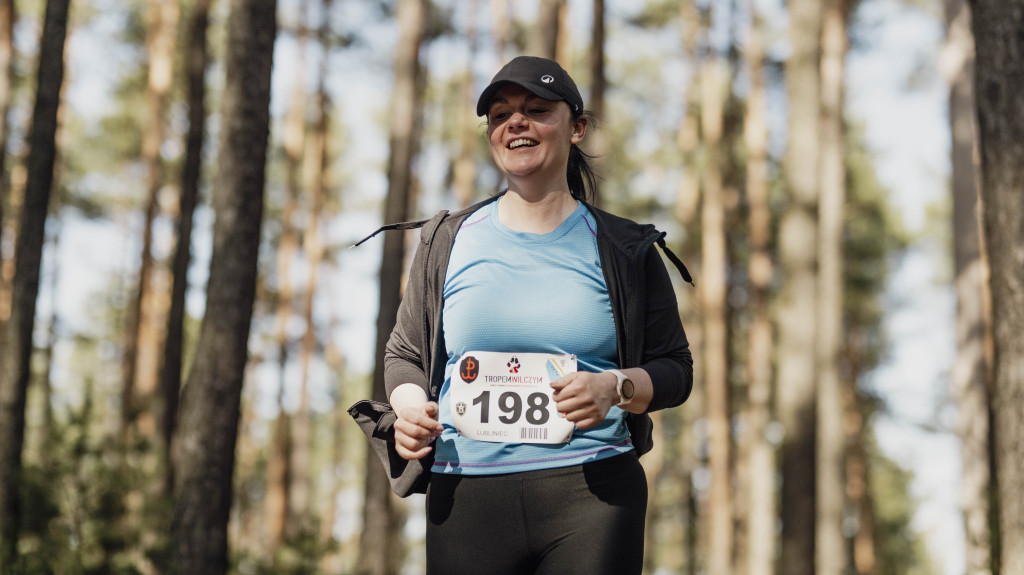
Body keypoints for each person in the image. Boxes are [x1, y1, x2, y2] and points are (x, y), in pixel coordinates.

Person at [381, 55, 693, 575]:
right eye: (500, 115)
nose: (515, 123)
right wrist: (410, 408)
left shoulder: (625, 247)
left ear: (578, 127)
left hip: (592, 495)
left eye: (536, 109)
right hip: (465, 497)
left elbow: (675, 370)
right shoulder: (446, 240)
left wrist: (615, 387)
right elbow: (405, 354)